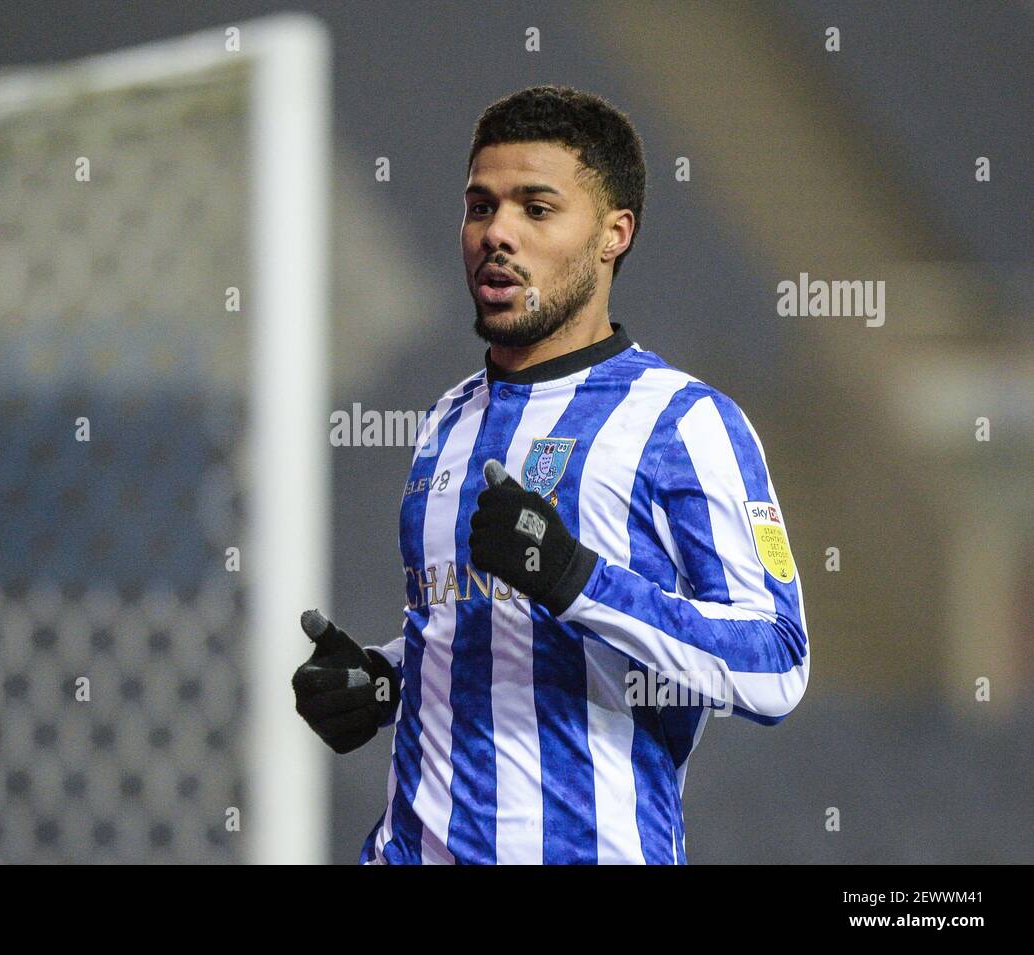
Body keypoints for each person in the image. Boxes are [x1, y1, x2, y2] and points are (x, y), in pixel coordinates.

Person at [293, 85, 810, 864]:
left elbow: (778, 663)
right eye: (480, 206)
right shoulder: (446, 419)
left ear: (613, 234)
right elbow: (483, 631)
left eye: (536, 209)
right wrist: (381, 679)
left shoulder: (682, 421)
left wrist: (578, 577)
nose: (496, 233)